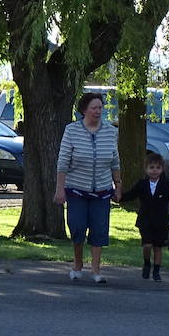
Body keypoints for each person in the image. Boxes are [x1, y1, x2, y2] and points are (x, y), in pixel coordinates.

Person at [54, 92, 122, 283]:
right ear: (84, 110)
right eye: (94, 108)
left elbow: (115, 160)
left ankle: (96, 269)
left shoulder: (110, 131)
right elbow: (63, 162)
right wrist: (60, 189)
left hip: (101, 189)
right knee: (77, 226)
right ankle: (77, 264)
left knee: (99, 229)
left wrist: (118, 185)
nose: (98, 111)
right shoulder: (72, 130)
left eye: (100, 107)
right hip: (76, 189)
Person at [124, 152, 169, 282]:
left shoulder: (166, 184)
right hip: (145, 220)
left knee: (158, 247)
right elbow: (131, 194)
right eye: (151, 167)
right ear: (146, 169)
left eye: (158, 168)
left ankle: (156, 271)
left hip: (161, 221)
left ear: (162, 169)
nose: (154, 171)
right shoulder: (142, 184)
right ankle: (147, 263)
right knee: (147, 245)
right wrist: (119, 197)